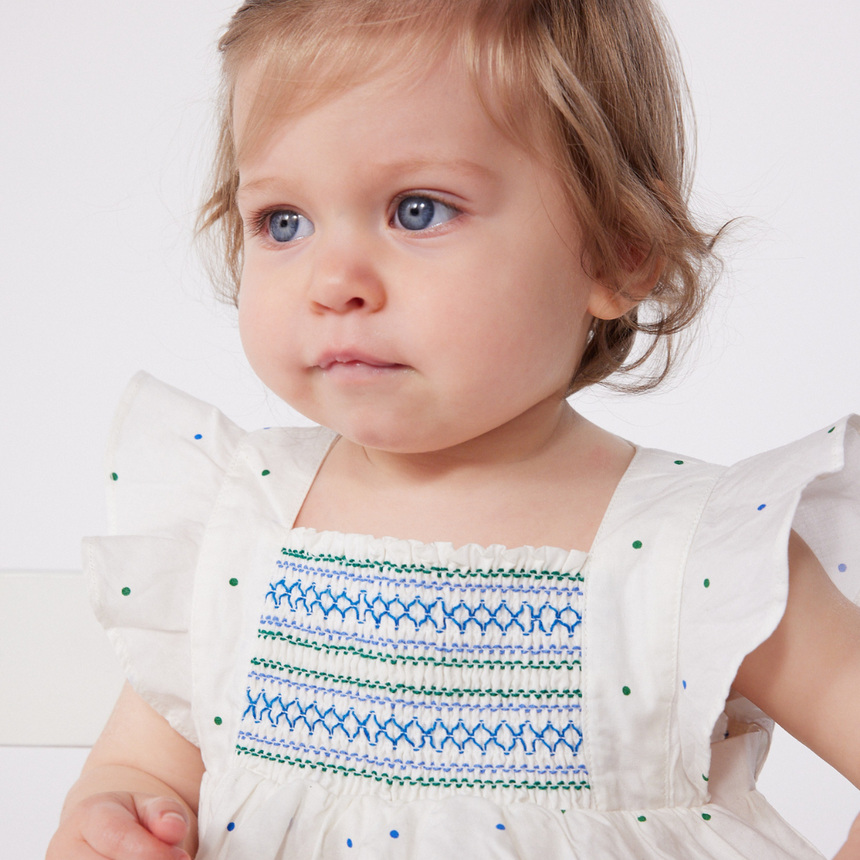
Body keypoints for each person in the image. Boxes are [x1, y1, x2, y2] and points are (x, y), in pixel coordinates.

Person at [48, 0, 860, 858]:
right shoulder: (241, 526)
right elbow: (144, 773)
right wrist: (117, 818)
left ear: (618, 248)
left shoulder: (695, 556)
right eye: (283, 221)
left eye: (418, 210)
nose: (334, 280)